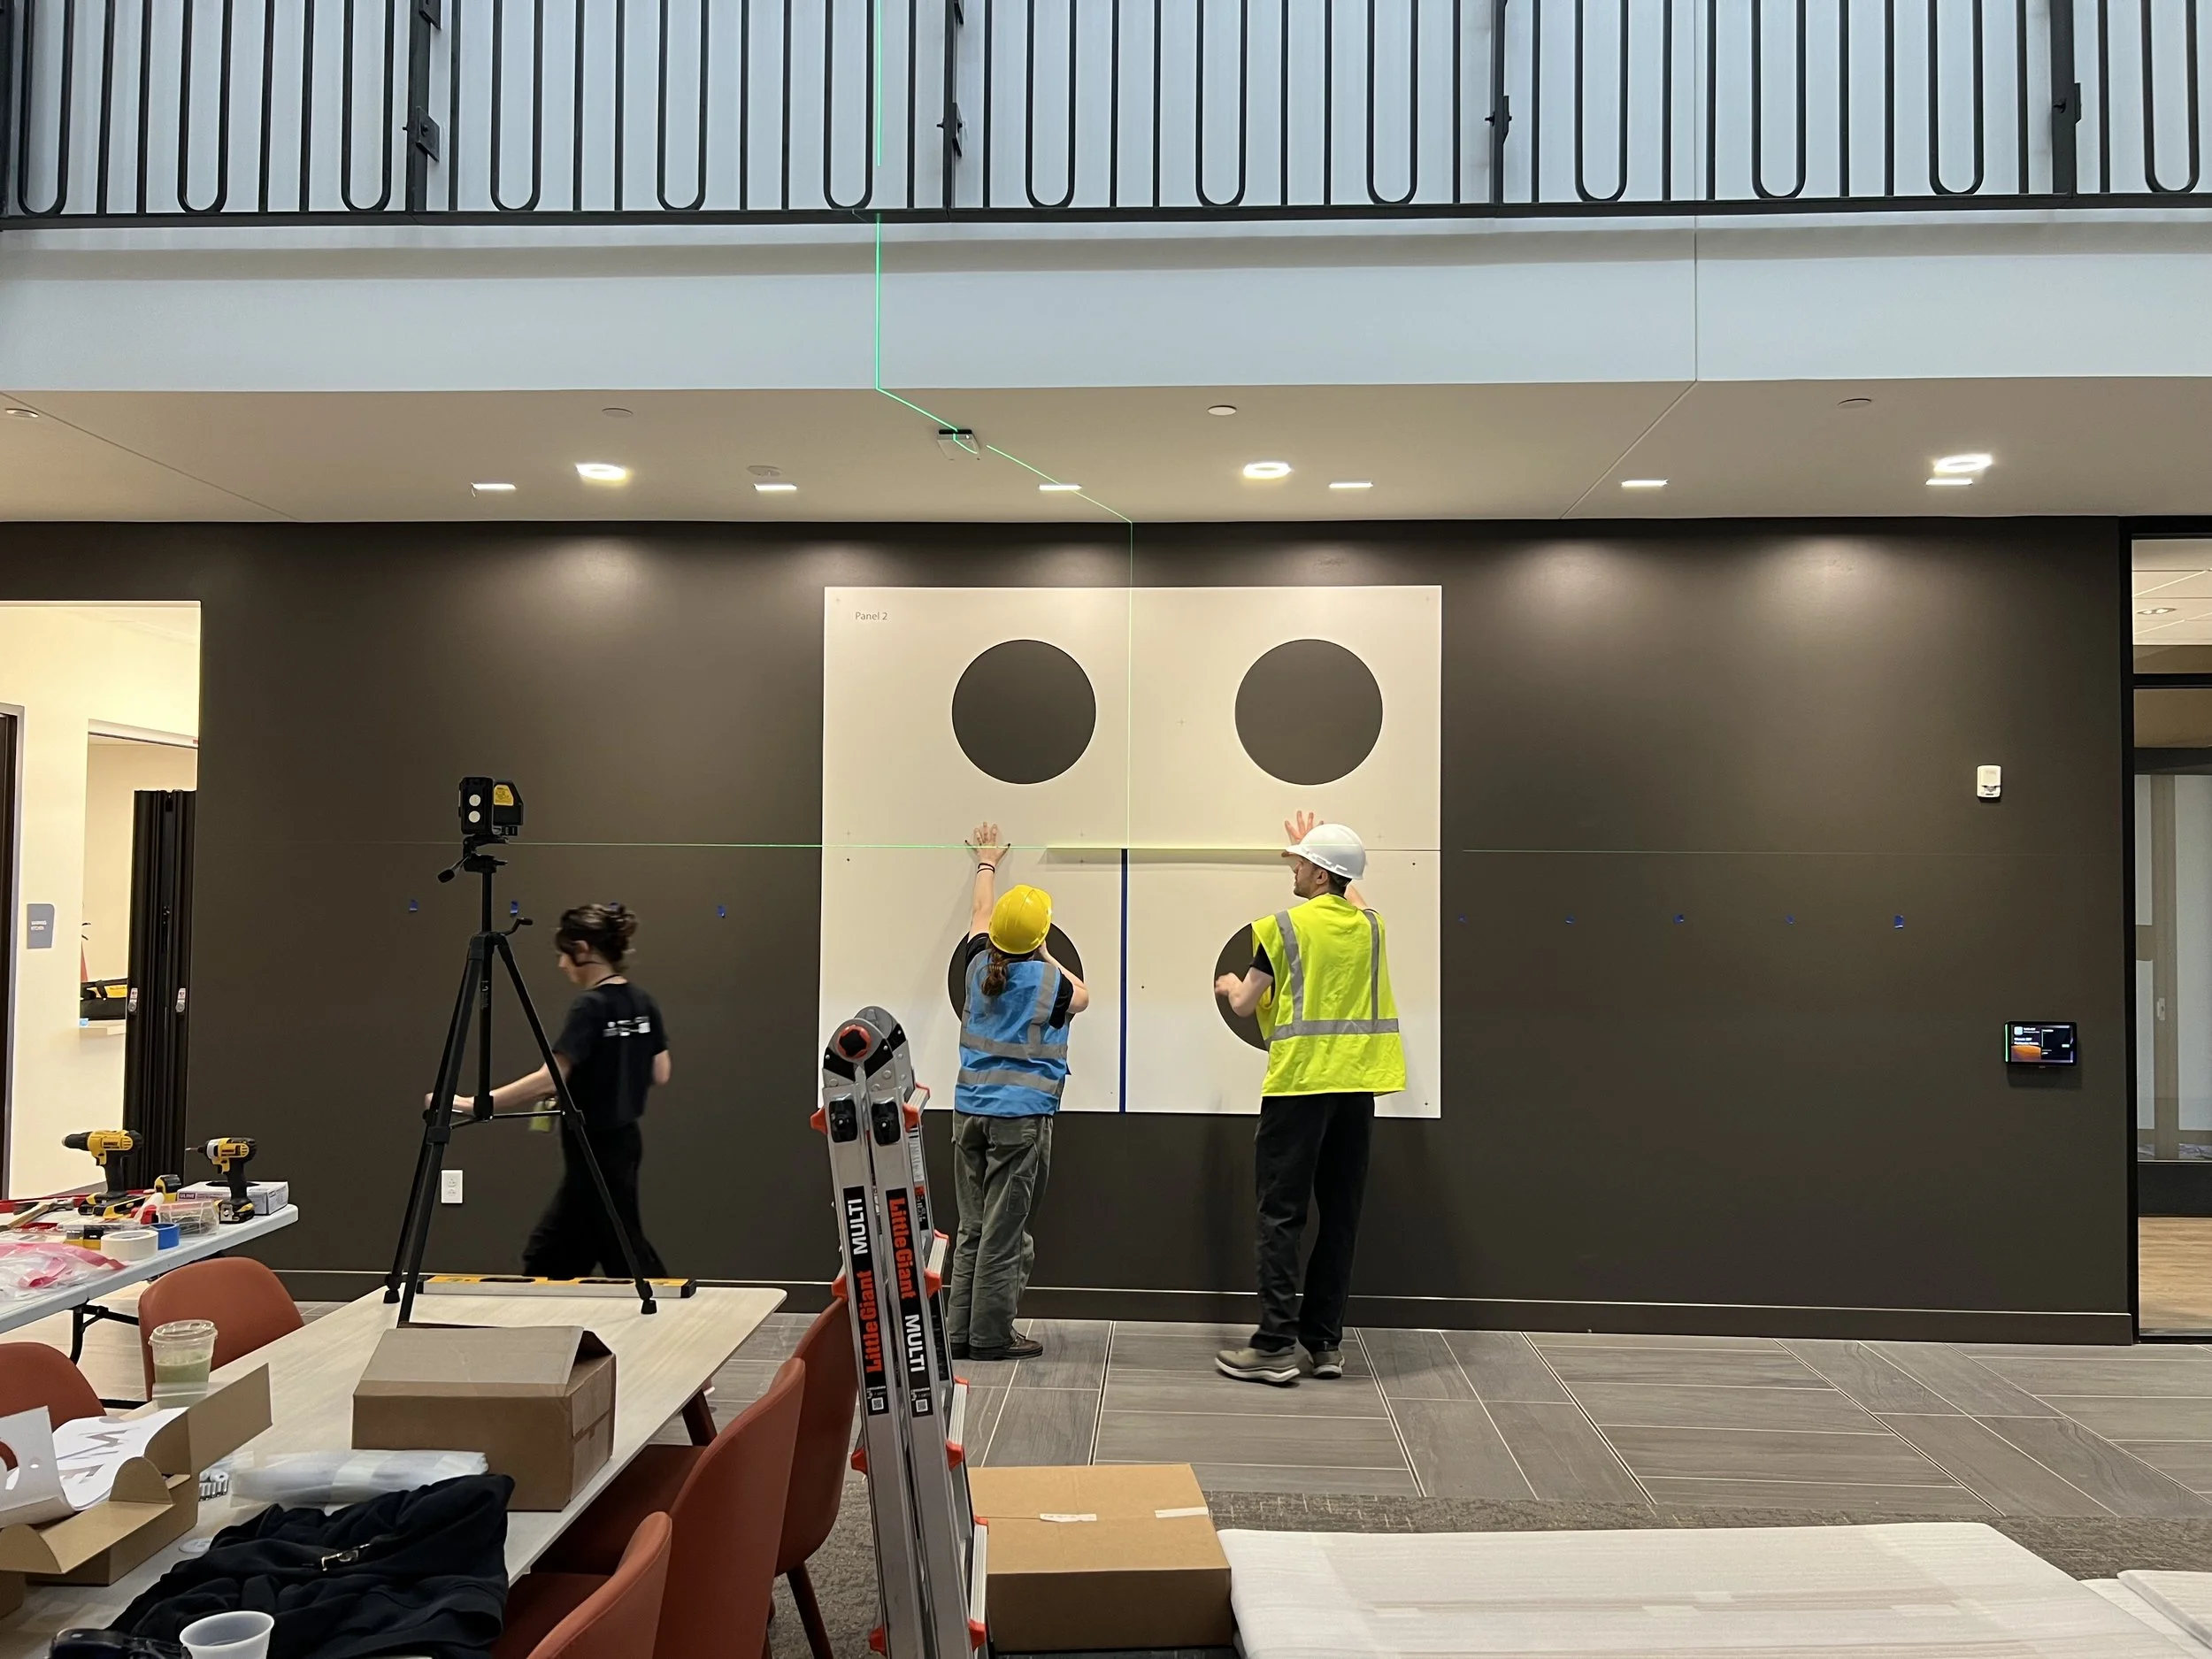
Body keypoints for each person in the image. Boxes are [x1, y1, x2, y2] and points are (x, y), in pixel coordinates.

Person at [1211, 811, 1404, 1386]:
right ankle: (1324, 1344)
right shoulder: (1372, 926)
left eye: (1299, 861)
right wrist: (1328, 848)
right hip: (1356, 1091)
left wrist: (1226, 986)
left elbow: (1246, 1003)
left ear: (1320, 875)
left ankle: (1273, 1345)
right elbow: (1356, 898)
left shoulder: (1282, 929)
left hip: (1299, 1090)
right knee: (1339, 1217)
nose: (1292, 867)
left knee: (1281, 1216)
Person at [463, 902, 671, 1280]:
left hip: (592, 1144)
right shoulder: (643, 1002)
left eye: (563, 954)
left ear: (582, 950)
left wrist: (476, 1103)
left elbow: (549, 1078)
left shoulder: (589, 1007)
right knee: (586, 1244)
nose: (561, 965)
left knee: (595, 1248)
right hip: (625, 1141)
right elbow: (661, 1072)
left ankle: (666, 1314)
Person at [946, 823, 1090, 1362]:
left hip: (967, 1116)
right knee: (1006, 1233)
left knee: (972, 1228)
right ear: (1039, 938)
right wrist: (1046, 953)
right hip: (1021, 1122)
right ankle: (989, 1337)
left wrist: (986, 863)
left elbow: (979, 917)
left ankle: (957, 1333)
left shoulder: (978, 963)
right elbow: (1084, 995)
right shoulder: (1048, 983)